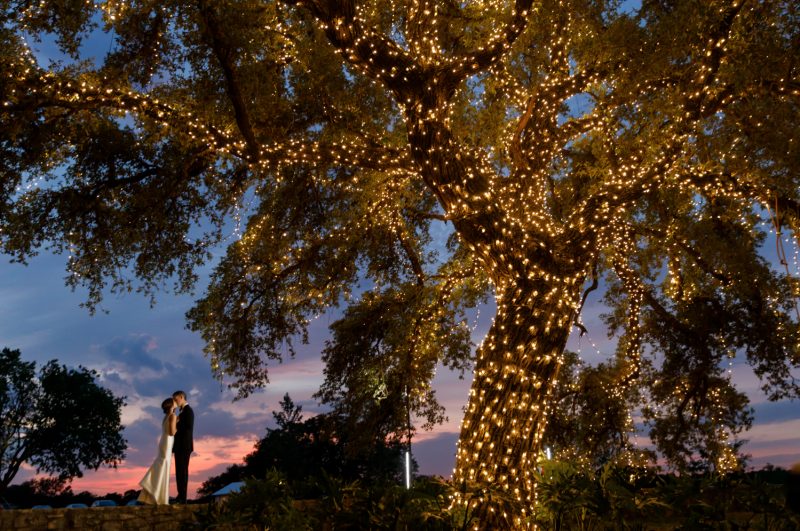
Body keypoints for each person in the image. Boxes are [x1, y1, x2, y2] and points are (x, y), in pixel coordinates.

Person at [137, 398, 177, 505]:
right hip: (168, 441)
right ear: (171, 405)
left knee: (161, 465)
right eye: (174, 402)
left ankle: (153, 492)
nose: (176, 402)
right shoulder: (173, 416)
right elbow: (172, 432)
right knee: (164, 466)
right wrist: (178, 424)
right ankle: (156, 492)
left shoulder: (165, 417)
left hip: (163, 441)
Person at [172, 390, 194, 503]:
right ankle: (180, 495)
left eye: (176, 400)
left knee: (182, 471)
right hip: (179, 446)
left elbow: (188, 427)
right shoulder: (182, 412)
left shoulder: (188, 411)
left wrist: (177, 424)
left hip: (184, 446)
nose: (175, 402)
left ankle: (182, 497)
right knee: (179, 471)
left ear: (181, 397)